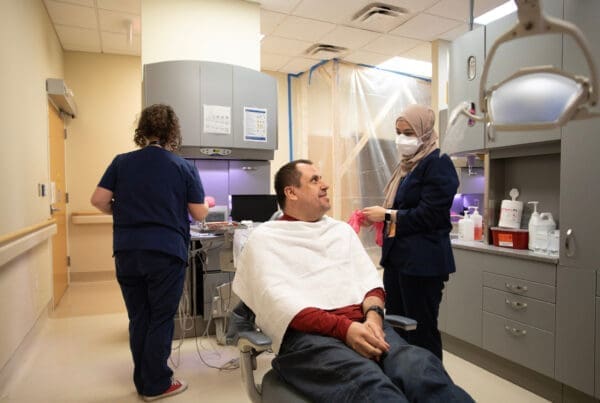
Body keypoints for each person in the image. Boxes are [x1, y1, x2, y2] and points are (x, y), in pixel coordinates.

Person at [233, 159, 472, 402]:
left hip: (366, 325)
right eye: (314, 180)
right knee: (373, 387)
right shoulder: (265, 239)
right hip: (309, 338)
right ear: (291, 192)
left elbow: (370, 283)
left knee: (421, 370)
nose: (325, 185)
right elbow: (280, 305)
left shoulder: (340, 231)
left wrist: (374, 317)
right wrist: (345, 330)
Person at [90, 104, 209, 401]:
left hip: (128, 251)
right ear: (173, 132)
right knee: (160, 318)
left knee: (139, 317)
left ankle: (143, 380)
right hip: (165, 253)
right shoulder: (183, 166)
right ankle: (156, 384)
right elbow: (199, 214)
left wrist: (124, 210)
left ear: (142, 130)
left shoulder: (122, 162)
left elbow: (98, 200)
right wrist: (205, 201)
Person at [362, 104, 459, 361]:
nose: (402, 139)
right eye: (398, 132)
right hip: (399, 260)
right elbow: (402, 209)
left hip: (423, 264)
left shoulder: (438, 164)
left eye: (409, 132)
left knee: (420, 330)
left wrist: (386, 215)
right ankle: (405, 379)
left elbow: (430, 214)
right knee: (396, 327)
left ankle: (430, 386)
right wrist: (382, 218)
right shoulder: (408, 167)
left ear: (425, 133)